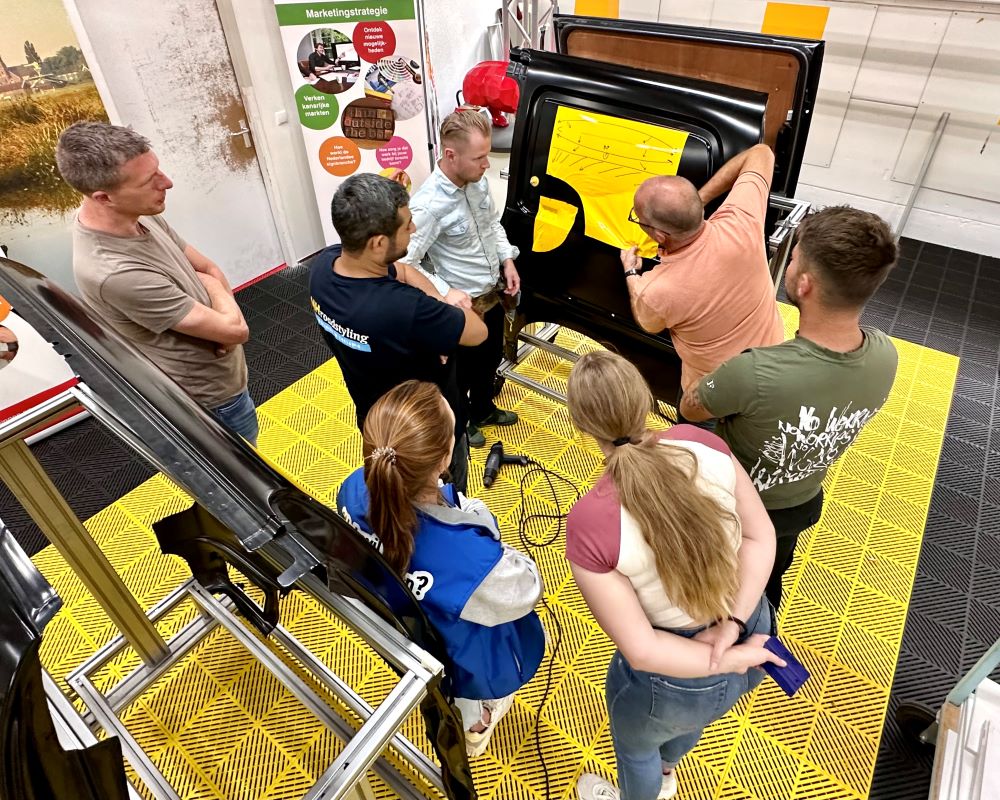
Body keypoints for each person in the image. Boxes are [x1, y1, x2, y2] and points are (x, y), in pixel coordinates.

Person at [565, 351, 782, 800]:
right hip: (754, 626)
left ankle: (651, 784)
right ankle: (669, 770)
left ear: (583, 428)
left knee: (636, 749)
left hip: (678, 670)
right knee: (698, 719)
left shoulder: (590, 523)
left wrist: (724, 656)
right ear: (644, 399)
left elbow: (643, 651)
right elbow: (762, 539)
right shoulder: (702, 444)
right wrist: (734, 629)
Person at [681, 206, 899, 608]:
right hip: (798, 502)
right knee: (767, 582)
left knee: (707, 591)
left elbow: (691, 408)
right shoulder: (887, 354)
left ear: (805, 284)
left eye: (794, 256)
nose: (790, 261)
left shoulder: (755, 372)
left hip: (731, 509)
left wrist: (720, 372)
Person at [336, 380, 545, 756]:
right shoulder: (472, 563)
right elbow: (527, 588)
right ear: (446, 460)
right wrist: (479, 517)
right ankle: (476, 729)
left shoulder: (352, 487)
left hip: (402, 631)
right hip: (462, 654)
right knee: (469, 696)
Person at [56, 122, 258, 444]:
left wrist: (216, 298)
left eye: (158, 170)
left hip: (225, 378)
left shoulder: (138, 212)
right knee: (242, 487)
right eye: (151, 180)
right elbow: (236, 331)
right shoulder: (115, 272)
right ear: (104, 198)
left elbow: (208, 268)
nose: (167, 182)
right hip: (208, 402)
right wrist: (220, 304)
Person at [310, 173, 486, 494]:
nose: (414, 229)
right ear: (378, 242)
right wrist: (451, 307)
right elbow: (477, 332)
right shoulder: (404, 309)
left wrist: (438, 306)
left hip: (376, 427)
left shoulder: (324, 268)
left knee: (391, 502)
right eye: (406, 226)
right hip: (430, 435)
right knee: (443, 504)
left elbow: (402, 270)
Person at [620, 144, 785, 413]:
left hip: (713, 394)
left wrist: (630, 272)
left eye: (638, 218)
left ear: (660, 236)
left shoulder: (657, 290)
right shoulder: (741, 221)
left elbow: (648, 322)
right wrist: (698, 199)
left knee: (697, 440)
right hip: (774, 370)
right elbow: (763, 152)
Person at [399, 111, 520, 448]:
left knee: (489, 359)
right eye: (480, 158)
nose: (487, 165)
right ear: (450, 155)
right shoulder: (428, 206)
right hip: (460, 307)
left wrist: (507, 258)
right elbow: (404, 263)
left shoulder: (477, 181)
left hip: (491, 293)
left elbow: (492, 224)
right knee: (458, 374)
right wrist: (445, 291)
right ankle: (462, 423)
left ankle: (483, 409)